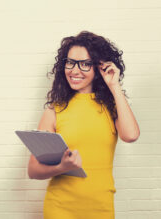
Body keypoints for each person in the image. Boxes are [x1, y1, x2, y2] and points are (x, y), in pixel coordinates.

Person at [28, 31, 140, 219]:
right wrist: (61, 167)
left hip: (101, 208)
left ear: (99, 67)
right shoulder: (55, 110)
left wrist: (114, 86)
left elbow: (131, 135)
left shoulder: (112, 106)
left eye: (85, 64)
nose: (75, 70)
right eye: (70, 62)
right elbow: (33, 170)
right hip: (60, 209)